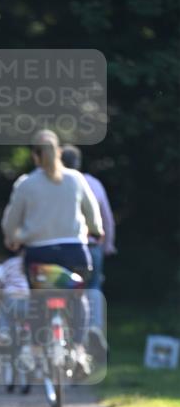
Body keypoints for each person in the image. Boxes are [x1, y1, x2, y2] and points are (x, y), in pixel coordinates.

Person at [1, 129, 104, 373]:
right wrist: (96, 231)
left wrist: (12, 238)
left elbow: (11, 221)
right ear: (58, 152)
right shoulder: (75, 179)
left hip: (40, 254)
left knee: (38, 299)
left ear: (35, 156)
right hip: (74, 252)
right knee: (78, 298)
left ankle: (35, 349)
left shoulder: (26, 184)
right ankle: (78, 349)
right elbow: (92, 213)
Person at [61, 144, 116, 356]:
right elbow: (106, 218)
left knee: (66, 293)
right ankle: (94, 328)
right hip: (93, 246)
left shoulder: (54, 183)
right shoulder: (94, 183)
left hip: (64, 246)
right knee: (93, 289)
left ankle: (71, 341)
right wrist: (108, 244)